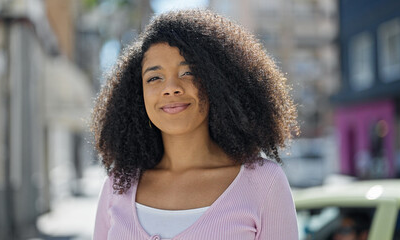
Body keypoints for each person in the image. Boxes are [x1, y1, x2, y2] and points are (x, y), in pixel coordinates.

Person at [91, 9, 299, 240]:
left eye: (188, 72)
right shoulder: (118, 186)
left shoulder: (264, 183)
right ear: (137, 94)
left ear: (217, 83)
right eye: (154, 78)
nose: (171, 87)